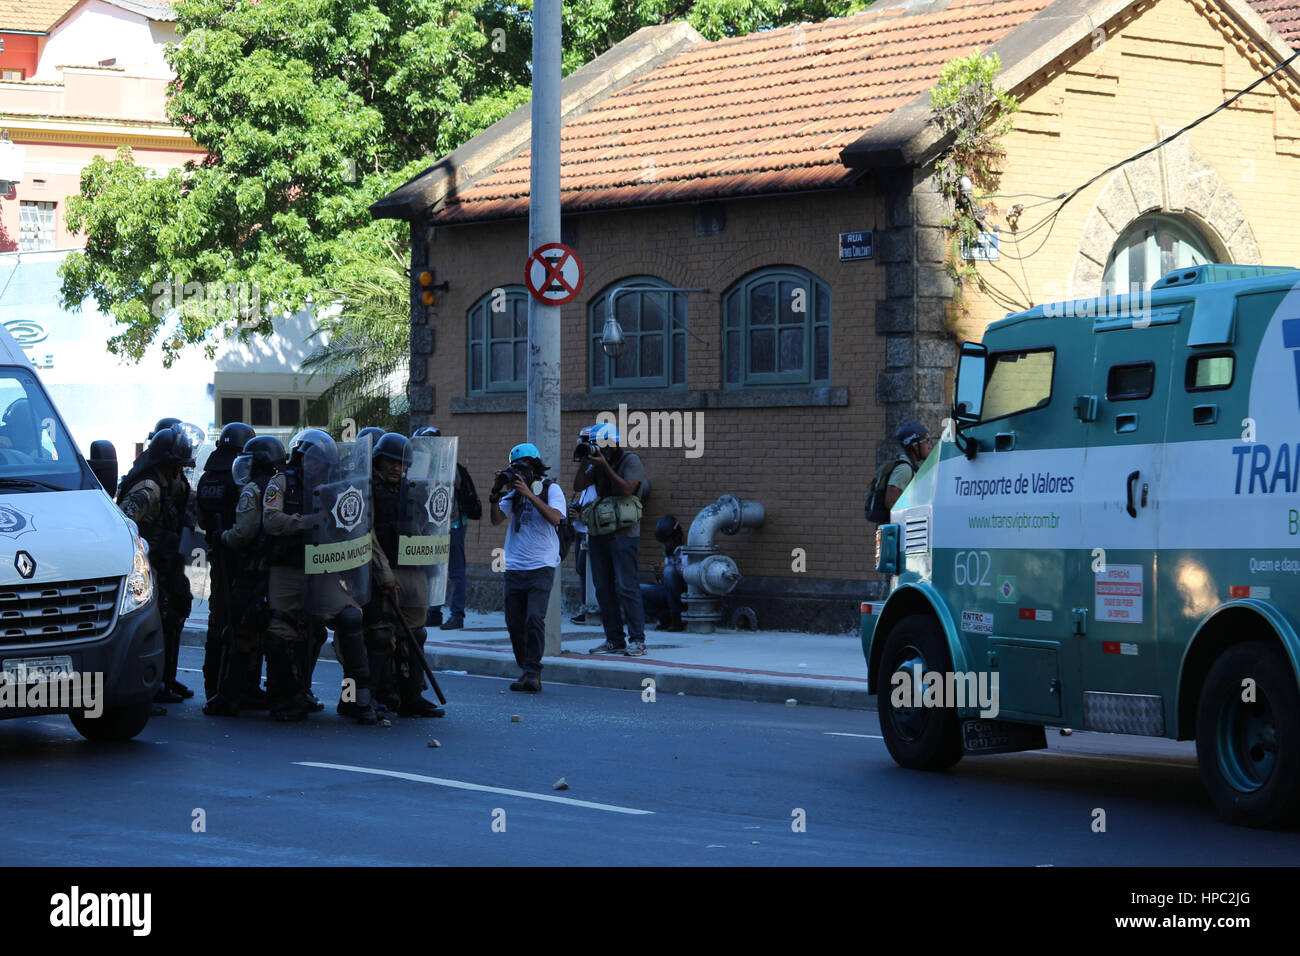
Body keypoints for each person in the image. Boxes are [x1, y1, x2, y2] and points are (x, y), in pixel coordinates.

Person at [262, 429, 378, 724]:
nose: (317, 467)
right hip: (288, 569)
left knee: (351, 618)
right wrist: (309, 523)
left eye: (323, 463)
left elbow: (358, 524)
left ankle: (356, 698)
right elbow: (271, 520)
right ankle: (286, 698)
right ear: (299, 458)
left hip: (324, 567)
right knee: (280, 632)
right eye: (312, 460)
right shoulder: (281, 482)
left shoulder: (338, 487)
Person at [117, 424, 196, 710]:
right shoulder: (148, 487)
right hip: (149, 565)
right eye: (178, 466)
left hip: (167, 560)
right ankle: (148, 686)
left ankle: (167, 679)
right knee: (155, 621)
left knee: (176, 610)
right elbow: (123, 527)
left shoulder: (171, 481)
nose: (182, 472)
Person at [204, 435, 284, 716]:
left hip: (251, 571)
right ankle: (266, 692)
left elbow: (243, 533)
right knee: (271, 631)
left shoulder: (252, 490)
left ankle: (228, 696)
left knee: (237, 631)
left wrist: (221, 538)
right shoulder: (280, 486)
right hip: (276, 572)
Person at [365, 432, 443, 718]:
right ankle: (378, 697)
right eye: (390, 462)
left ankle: (412, 697)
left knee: (415, 634)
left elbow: (430, 528)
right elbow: (367, 534)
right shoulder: (368, 490)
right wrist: (383, 574)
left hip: (413, 569)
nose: (396, 468)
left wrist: (432, 564)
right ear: (378, 461)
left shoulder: (415, 491)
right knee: (381, 636)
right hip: (380, 570)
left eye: (401, 463)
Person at [490, 442, 566, 693]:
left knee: (534, 618)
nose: (519, 474)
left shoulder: (551, 489)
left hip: (541, 565)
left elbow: (556, 517)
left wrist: (530, 494)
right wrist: (495, 494)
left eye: (524, 469)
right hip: (514, 566)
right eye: (516, 470)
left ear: (535, 468)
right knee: (514, 622)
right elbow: (496, 520)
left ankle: (533, 672)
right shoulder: (512, 494)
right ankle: (526, 669)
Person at [195, 421, 256, 703]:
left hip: (218, 552)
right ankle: (233, 687)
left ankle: (215, 686)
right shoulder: (238, 473)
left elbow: (201, 516)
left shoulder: (208, 476)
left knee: (218, 621)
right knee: (241, 620)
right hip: (238, 554)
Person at [579, 422, 650, 657]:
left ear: (614, 443)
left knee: (627, 587)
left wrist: (606, 467)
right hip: (600, 532)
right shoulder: (597, 461)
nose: (599, 449)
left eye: (602, 446)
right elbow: (578, 485)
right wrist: (585, 461)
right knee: (603, 588)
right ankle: (614, 639)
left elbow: (627, 489)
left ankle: (637, 640)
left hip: (623, 535)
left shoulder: (630, 460)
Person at [415, 426, 480, 631]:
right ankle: (434, 612)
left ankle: (456, 615)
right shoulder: (424, 466)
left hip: (452, 525)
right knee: (433, 570)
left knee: (454, 571)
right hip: (432, 526)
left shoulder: (450, 467)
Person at [568, 427, 598, 625]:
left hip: (595, 531)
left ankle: (595, 607)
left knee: (594, 571)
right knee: (581, 569)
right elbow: (579, 488)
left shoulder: (603, 469)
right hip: (581, 531)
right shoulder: (586, 471)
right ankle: (585, 606)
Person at [640, 515, 686, 631]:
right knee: (637, 590)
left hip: (685, 594)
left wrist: (670, 569)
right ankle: (665, 618)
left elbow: (691, 577)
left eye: (668, 541)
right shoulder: (669, 553)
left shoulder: (687, 550)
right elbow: (664, 583)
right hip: (669, 594)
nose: (666, 545)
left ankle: (677, 619)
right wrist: (659, 573)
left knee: (669, 572)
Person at [885, 423, 934, 510]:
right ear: (915, 445)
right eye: (926, 441)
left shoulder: (912, 467)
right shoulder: (905, 469)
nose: (930, 446)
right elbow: (891, 502)